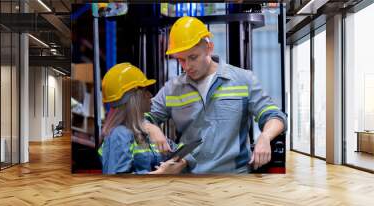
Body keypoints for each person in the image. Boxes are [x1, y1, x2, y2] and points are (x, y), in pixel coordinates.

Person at [143, 16, 287, 174]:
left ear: (209, 48)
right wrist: (151, 128)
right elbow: (140, 118)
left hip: (234, 179)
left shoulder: (243, 79)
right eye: (181, 60)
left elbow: (274, 115)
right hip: (189, 179)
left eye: (193, 57)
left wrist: (265, 136)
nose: (187, 66)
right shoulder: (172, 89)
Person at [98, 62, 186, 174]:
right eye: (145, 91)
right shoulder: (120, 134)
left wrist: (182, 159)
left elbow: (175, 149)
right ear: (133, 98)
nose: (150, 95)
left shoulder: (146, 132)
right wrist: (161, 174)